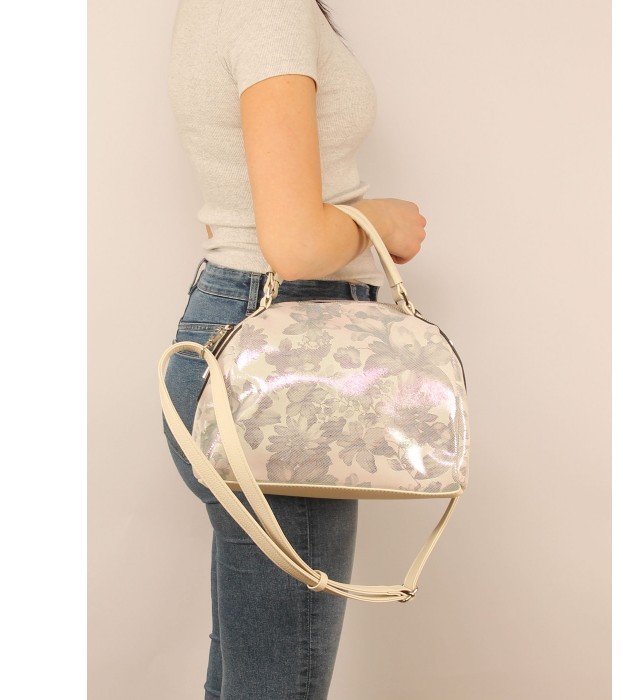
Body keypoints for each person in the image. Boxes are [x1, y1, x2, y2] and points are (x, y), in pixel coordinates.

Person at [164, 1, 427, 697]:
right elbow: (296, 244)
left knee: (255, 671)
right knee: (280, 681)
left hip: (233, 343)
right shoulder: (268, 9)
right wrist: (381, 220)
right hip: (282, 372)